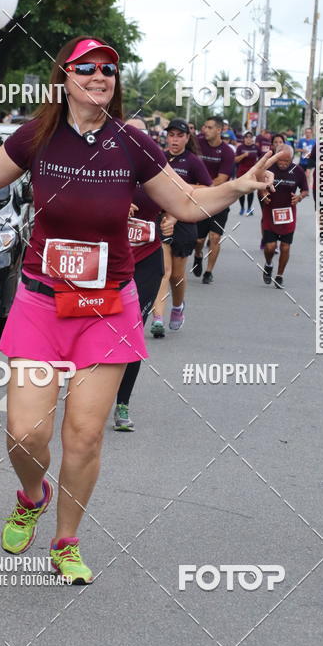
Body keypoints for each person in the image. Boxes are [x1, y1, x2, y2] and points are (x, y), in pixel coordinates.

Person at [0, 38, 276, 584]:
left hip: (108, 307)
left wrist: (238, 184)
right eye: (86, 67)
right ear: (64, 77)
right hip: (43, 301)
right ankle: (31, 495)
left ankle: (66, 541)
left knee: (85, 435)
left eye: (108, 68)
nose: (99, 75)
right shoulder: (38, 135)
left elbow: (185, 203)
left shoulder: (131, 144)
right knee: (24, 433)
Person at [113, 117, 174, 431]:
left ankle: (122, 403)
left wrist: (172, 218)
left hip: (147, 262)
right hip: (108, 264)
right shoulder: (105, 168)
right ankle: (92, 394)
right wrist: (114, 205)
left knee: (133, 333)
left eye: (141, 134)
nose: (135, 138)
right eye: (128, 132)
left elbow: (182, 197)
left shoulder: (156, 169)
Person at [151, 118, 212, 334]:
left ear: (187, 138)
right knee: (163, 272)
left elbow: (206, 188)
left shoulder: (193, 161)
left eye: (179, 135)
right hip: (161, 220)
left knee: (177, 275)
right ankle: (157, 318)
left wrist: (180, 188)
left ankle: (178, 307)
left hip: (185, 221)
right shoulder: (159, 157)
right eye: (171, 135)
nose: (174, 139)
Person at [192, 116, 236, 283]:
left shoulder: (227, 152)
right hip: (200, 200)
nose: (205, 130)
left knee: (215, 237)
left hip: (220, 199)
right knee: (198, 240)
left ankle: (209, 272)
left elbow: (221, 179)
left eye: (210, 127)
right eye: (204, 126)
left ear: (219, 130)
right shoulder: (197, 144)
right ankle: (197, 255)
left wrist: (199, 187)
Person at [260, 144, 308, 288]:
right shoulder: (268, 168)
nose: (282, 164)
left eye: (286, 161)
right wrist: (263, 194)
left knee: (285, 247)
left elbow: (305, 190)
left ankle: (280, 275)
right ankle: (268, 265)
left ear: (292, 159)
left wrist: (299, 197)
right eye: (280, 160)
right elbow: (257, 185)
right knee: (270, 247)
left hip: (288, 213)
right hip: (270, 211)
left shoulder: (297, 170)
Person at [236, 131, 260, 216]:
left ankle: (249, 208)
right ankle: (242, 207)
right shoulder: (240, 147)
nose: (248, 139)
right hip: (242, 171)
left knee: (250, 190)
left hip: (252, 171)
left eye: (250, 137)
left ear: (252, 138)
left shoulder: (256, 147)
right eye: (247, 137)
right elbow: (235, 160)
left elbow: (261, 158)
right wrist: (243, 155)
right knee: (241, 190)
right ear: (244, 138)